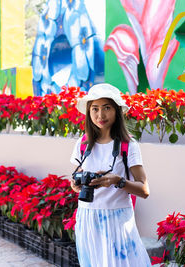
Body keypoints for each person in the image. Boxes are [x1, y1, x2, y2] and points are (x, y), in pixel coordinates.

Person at [70, 83, 152, 267]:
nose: (100, 115)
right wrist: (75, 185)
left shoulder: (128, 145)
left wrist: (118, 181)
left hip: (117, 220)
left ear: (116, 111)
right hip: (87, 219)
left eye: (107, 108)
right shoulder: (83, 144)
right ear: (89, 112)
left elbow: (144, 189)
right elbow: (77, 177)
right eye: (95, 109)